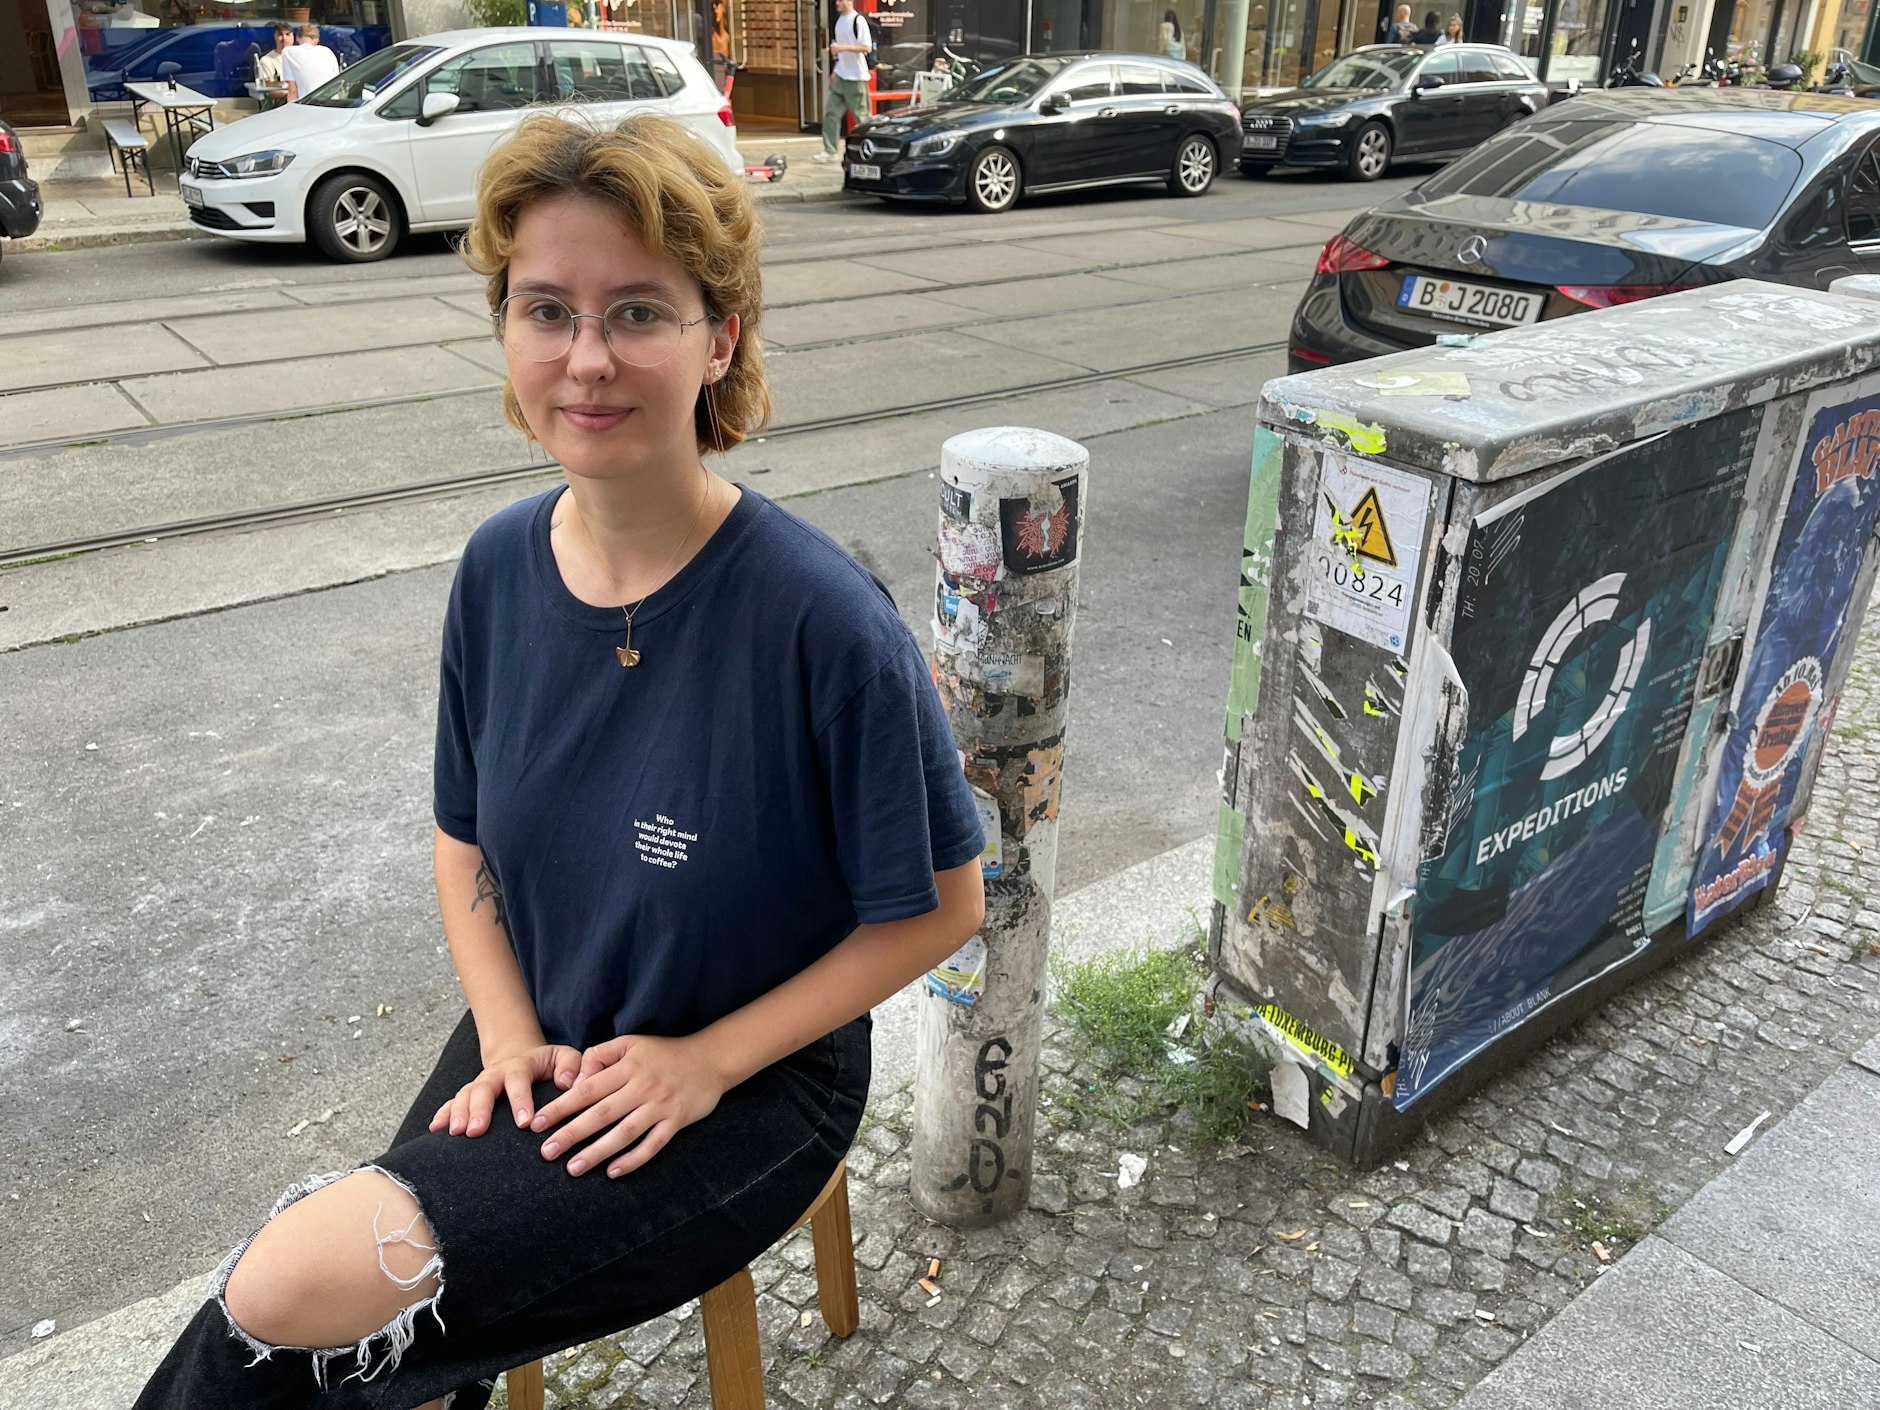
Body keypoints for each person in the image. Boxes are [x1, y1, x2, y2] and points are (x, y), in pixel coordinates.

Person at [131, 111, 985, 1410]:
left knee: (294, 1286)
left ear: (721, 338)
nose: (586, 358)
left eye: (639, 311)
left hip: (745, 1083)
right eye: (546, 309)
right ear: (507, 332)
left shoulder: (819, 622)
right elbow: (464, 838)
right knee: (379, 1316)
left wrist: (702, 1061)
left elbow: (940, 904)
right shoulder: (496, 569)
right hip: (548, 1010)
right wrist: (512, 1031)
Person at [815, 0, 872, 163]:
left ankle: (870, 149)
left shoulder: (858, 20)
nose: (837, 3)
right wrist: (835, 70)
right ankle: (830, 150)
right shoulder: (839, 21)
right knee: (831, 113)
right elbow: (840, 52)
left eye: (840, 0)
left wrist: (841, 48)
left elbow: (866, 47)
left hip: (856, 77)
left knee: (862, 117)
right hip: (841, 74)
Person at [279, 23, 339, 103]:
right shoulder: (328, 52)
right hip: (332, 104)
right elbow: (337, 83)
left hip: (308, 104)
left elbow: (293, 90)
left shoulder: (288, 52)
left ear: (297, 38)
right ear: (316, 41)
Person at [251, 22, 292, 99]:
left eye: (287, 34)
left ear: (293, 37)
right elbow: (271, 91)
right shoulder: (266, 61)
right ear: (275, 37)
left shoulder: (300, 58)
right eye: (280, 35)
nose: (284, 38)